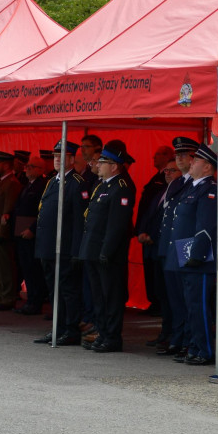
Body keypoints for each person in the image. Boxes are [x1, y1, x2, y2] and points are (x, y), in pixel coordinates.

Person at [79, 144, 136, 353]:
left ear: (114, 166)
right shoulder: (101, 185)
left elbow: (117, 225)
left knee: (111, 296)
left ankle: (112, 336)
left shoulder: (121, 187)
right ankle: (103, 333)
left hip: (108, 254)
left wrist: (106, 251)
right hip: (93, 250)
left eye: (102, 162)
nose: (98, 165)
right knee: (99, 297)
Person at [34, 141, 89, 344]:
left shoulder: (76, 183)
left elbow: (78, 220)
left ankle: (71, 330)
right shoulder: (53, 181)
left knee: (68, 291)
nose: (57, 159)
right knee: (53, 290)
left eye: (62, 155)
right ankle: (58, 327)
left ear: (72, 159)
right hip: (48, 247)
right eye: (55, 156)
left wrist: (76, 251)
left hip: (64, 248)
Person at [170, 143, 218, 365]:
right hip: (185, 253)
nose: (191, 162)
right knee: (190, 305)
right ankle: (194, 346)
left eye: (196, 161)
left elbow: (205, 226)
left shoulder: (209, 189)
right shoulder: (192, 187)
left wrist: (196, 255)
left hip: (198, 257)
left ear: (207, 167)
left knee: (199, 306)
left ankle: (205, 350)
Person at [158, 137, 199, 357]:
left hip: (186, 245)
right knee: (173, 297)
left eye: (184, 155)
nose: (180, 159)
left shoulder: (195, 182)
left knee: (187, 297)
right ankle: (177, 336)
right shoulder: (176, 182)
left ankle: (186, 339)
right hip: (171, 245)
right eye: (177, 155)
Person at [137, 145, 175, 316]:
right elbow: (149, 211)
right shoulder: (160, 187)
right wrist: (142, 231)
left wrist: (153, 235)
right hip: (152, 243)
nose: (167, 174)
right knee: (154, 281)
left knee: (167, 291)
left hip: (164, 245)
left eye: (171, 171)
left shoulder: (179, 193)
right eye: (166, 171)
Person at [12, 156, 48, 315]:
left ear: (40, 170)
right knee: (26, 267)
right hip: (21, 231)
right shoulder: (29, 185)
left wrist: (32, 229)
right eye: (27, 166)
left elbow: (41, 212)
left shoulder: (42, 186)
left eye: (31, 167)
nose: (27, 169)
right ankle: (31, 300)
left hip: (32, 233)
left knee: (34, 269)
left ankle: (35, 301)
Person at [0, 151, 22, 311]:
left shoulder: (12, 183)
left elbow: (7, 210)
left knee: (5, 266)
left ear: (7, 165)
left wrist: (2, 232)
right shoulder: (0, 182)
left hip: (3, 232)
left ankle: (8, 297)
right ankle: (3, 295)